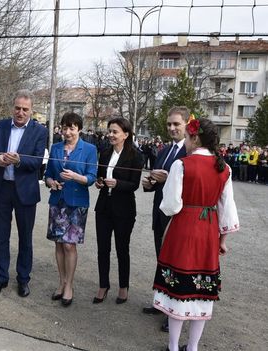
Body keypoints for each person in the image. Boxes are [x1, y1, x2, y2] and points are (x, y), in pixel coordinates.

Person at [152, 117, 239, 351]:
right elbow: (227, 210)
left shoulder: (181, 165)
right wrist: (222, 240)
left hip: (184, 229)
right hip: (208, 232)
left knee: (178, 292)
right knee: (201, 294)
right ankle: (192, 348)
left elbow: (170, 205)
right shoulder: (225, 168)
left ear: (194, 137)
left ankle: (172, 348)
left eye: (188, 137)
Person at [0, 89, 48, 297]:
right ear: (13, 107)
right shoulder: (1, 126)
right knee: (0, 236)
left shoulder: (40, 131)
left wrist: (19, 159)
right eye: (17, 108)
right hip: (2, 187)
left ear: (31, 111)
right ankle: (1, 277)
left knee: (25, 238)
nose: (20, 112)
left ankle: (23, 279)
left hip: (25, 191)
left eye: (25, 109)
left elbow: (38, 161)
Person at [141, 106, 189, 331]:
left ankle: (174, 313)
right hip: (159, 214)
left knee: (176, 264)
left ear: (187, 124)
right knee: (162, 260)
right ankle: (161, 304)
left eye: (176, 124)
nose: (172, 128)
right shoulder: (163, 151)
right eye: (169, 124)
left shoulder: (190, 153)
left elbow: (190, 186)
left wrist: (168, 177)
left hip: (177, 217)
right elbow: (157, 182)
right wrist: (149, 183)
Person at [45, 112, 97, 307]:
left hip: (77, 202)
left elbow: (91, 177)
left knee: (69, 245)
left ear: (79, 129)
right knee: (58, 244)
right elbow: (48, 174)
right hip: (57, 200)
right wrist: (52, 183)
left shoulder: (89, 149)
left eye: (72, 128)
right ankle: (61, 282)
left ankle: (70, 285)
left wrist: (75, 176)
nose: (67, 132)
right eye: (64, 128)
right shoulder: (56, 147)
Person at [93, 117, 144, 305]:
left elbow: (134, 184)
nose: (111, 135)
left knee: (122, 249)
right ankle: (103, 285)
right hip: (104, 207)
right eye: (110, 131)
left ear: (126, 134)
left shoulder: (135, 155)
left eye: (115, 132)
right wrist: (100, 182)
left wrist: (118, 183)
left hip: (124, 209)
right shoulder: (105, 153)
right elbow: (100, 175)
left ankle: (123, 286)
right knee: (102, 248)